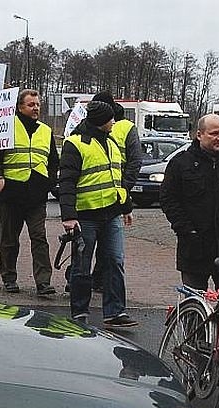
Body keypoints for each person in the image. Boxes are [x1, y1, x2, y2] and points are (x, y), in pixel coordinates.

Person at [58, 100, 137, 328]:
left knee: (115, 261)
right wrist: (68, 216)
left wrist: (126, 207)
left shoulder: (111, 143)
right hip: (85, 216)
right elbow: (67, 183)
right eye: (111, 118)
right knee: (82, 265)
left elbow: (116, 180)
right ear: (101, 121)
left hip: (111, 214)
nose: (114, 121)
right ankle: (80, 312)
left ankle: (115, 312)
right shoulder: (75, 144)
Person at [160, 113, 219, 300]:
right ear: (199, 135)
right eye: (214, 134)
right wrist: (186, 230)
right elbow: (168, 199)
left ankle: (217, 329)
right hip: (195, 248)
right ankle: (197, 329)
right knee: (194, 303)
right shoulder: (181, 163)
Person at [0, 89, 58, 294]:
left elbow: (53, 160)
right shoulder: (5, 127)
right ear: (20, 107)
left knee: (39, 237)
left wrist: (49, 181)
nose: (35, 107)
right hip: (11, 192)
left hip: (37, 193)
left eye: (37, 104)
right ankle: (9, 277)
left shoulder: (45, 130)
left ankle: (43, 282)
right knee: (10, 238)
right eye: (31, 104)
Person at [89, 91, 141, 293]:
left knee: (110, 250)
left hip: (115, 194)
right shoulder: (83, 131)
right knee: (87, 247)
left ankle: (101, 282)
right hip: (91, 196)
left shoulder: (126, 127)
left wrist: (124, 188)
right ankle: (86, 281)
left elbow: (135, 160)